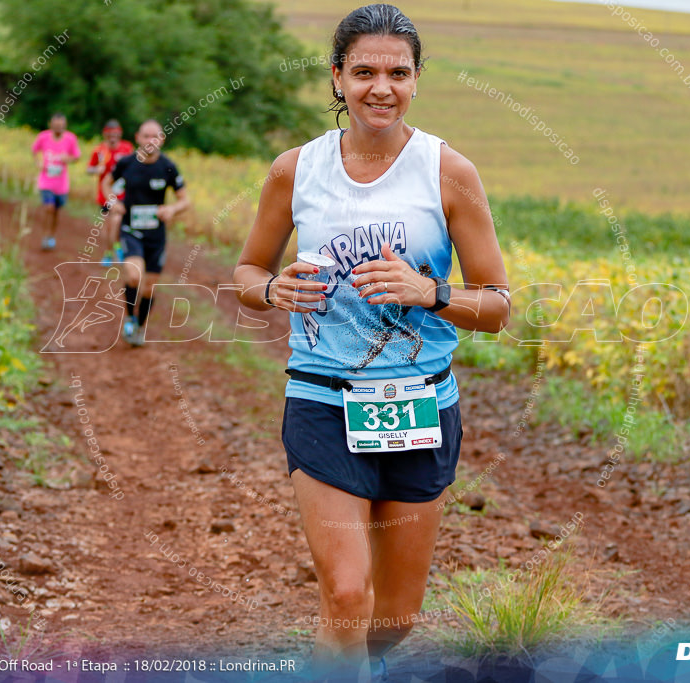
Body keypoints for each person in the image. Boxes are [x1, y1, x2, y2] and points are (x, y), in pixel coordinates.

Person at [232, 4, 510, 679]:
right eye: (363, 72)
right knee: (348, 593)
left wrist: (429, 292)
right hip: (323, 398)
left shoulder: (450, 172)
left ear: (416, 80)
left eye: (396, 72)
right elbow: (246, 271)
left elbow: (497, 305)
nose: (379, 86)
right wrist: (274, 291)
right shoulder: (294, 170)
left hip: (419, 407)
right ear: (336, 78)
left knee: (392, 620)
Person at [102, 120, 191, 346]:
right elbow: (106, 183)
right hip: (131, 229)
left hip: (156, 235)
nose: (150, 141)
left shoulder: (168, 167)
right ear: (137, 138)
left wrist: (172, 209)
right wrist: (113, 203)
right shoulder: (126, 163)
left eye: (155, 136)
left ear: (162, 139)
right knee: (133, 276)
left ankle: (140, 327)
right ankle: (130, 319)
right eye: (146, 136)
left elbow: (185, 200)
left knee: (149, 286)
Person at [86, 120, 134, 265]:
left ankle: (118, 249)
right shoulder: (100, 150)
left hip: (122, 195)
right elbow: (89, 168)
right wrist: (96, 170)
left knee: (117, 222)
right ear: (105, 134)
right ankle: (108, 253)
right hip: (104, 194)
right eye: (109, 134)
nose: (112, 136)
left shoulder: (127, 148)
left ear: (120, 133)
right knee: (107, 226)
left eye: (115, 133)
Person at [32, 113, 81, 251]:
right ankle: (45, 236)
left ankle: (51, 235)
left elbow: (77, 156)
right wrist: (38, 162)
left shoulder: (70, 139)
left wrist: (68, 159)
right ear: (51, 125)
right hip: (46, 181)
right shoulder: (43, 137)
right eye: (56, 125)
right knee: (49, 208)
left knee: (56, 212)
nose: (58, 128)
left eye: (61, 126)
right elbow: (34, 151)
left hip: (61, 184)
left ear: (64, 126)